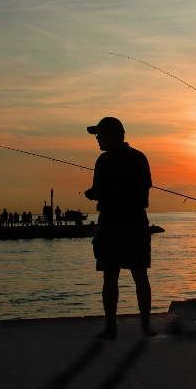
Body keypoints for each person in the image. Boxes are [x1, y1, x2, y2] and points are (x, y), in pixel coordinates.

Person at [84, 117, 155, 339]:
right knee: (140, 275)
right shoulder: (140, 157)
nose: (97, 138)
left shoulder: (104, 161)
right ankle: (145, 326)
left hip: (112, 223)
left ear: (114, 134)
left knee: (110, 275)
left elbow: (98, 192)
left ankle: (111, 328)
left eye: (100, 133)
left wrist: (92, 194)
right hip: (136, 222)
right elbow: (144, 192)